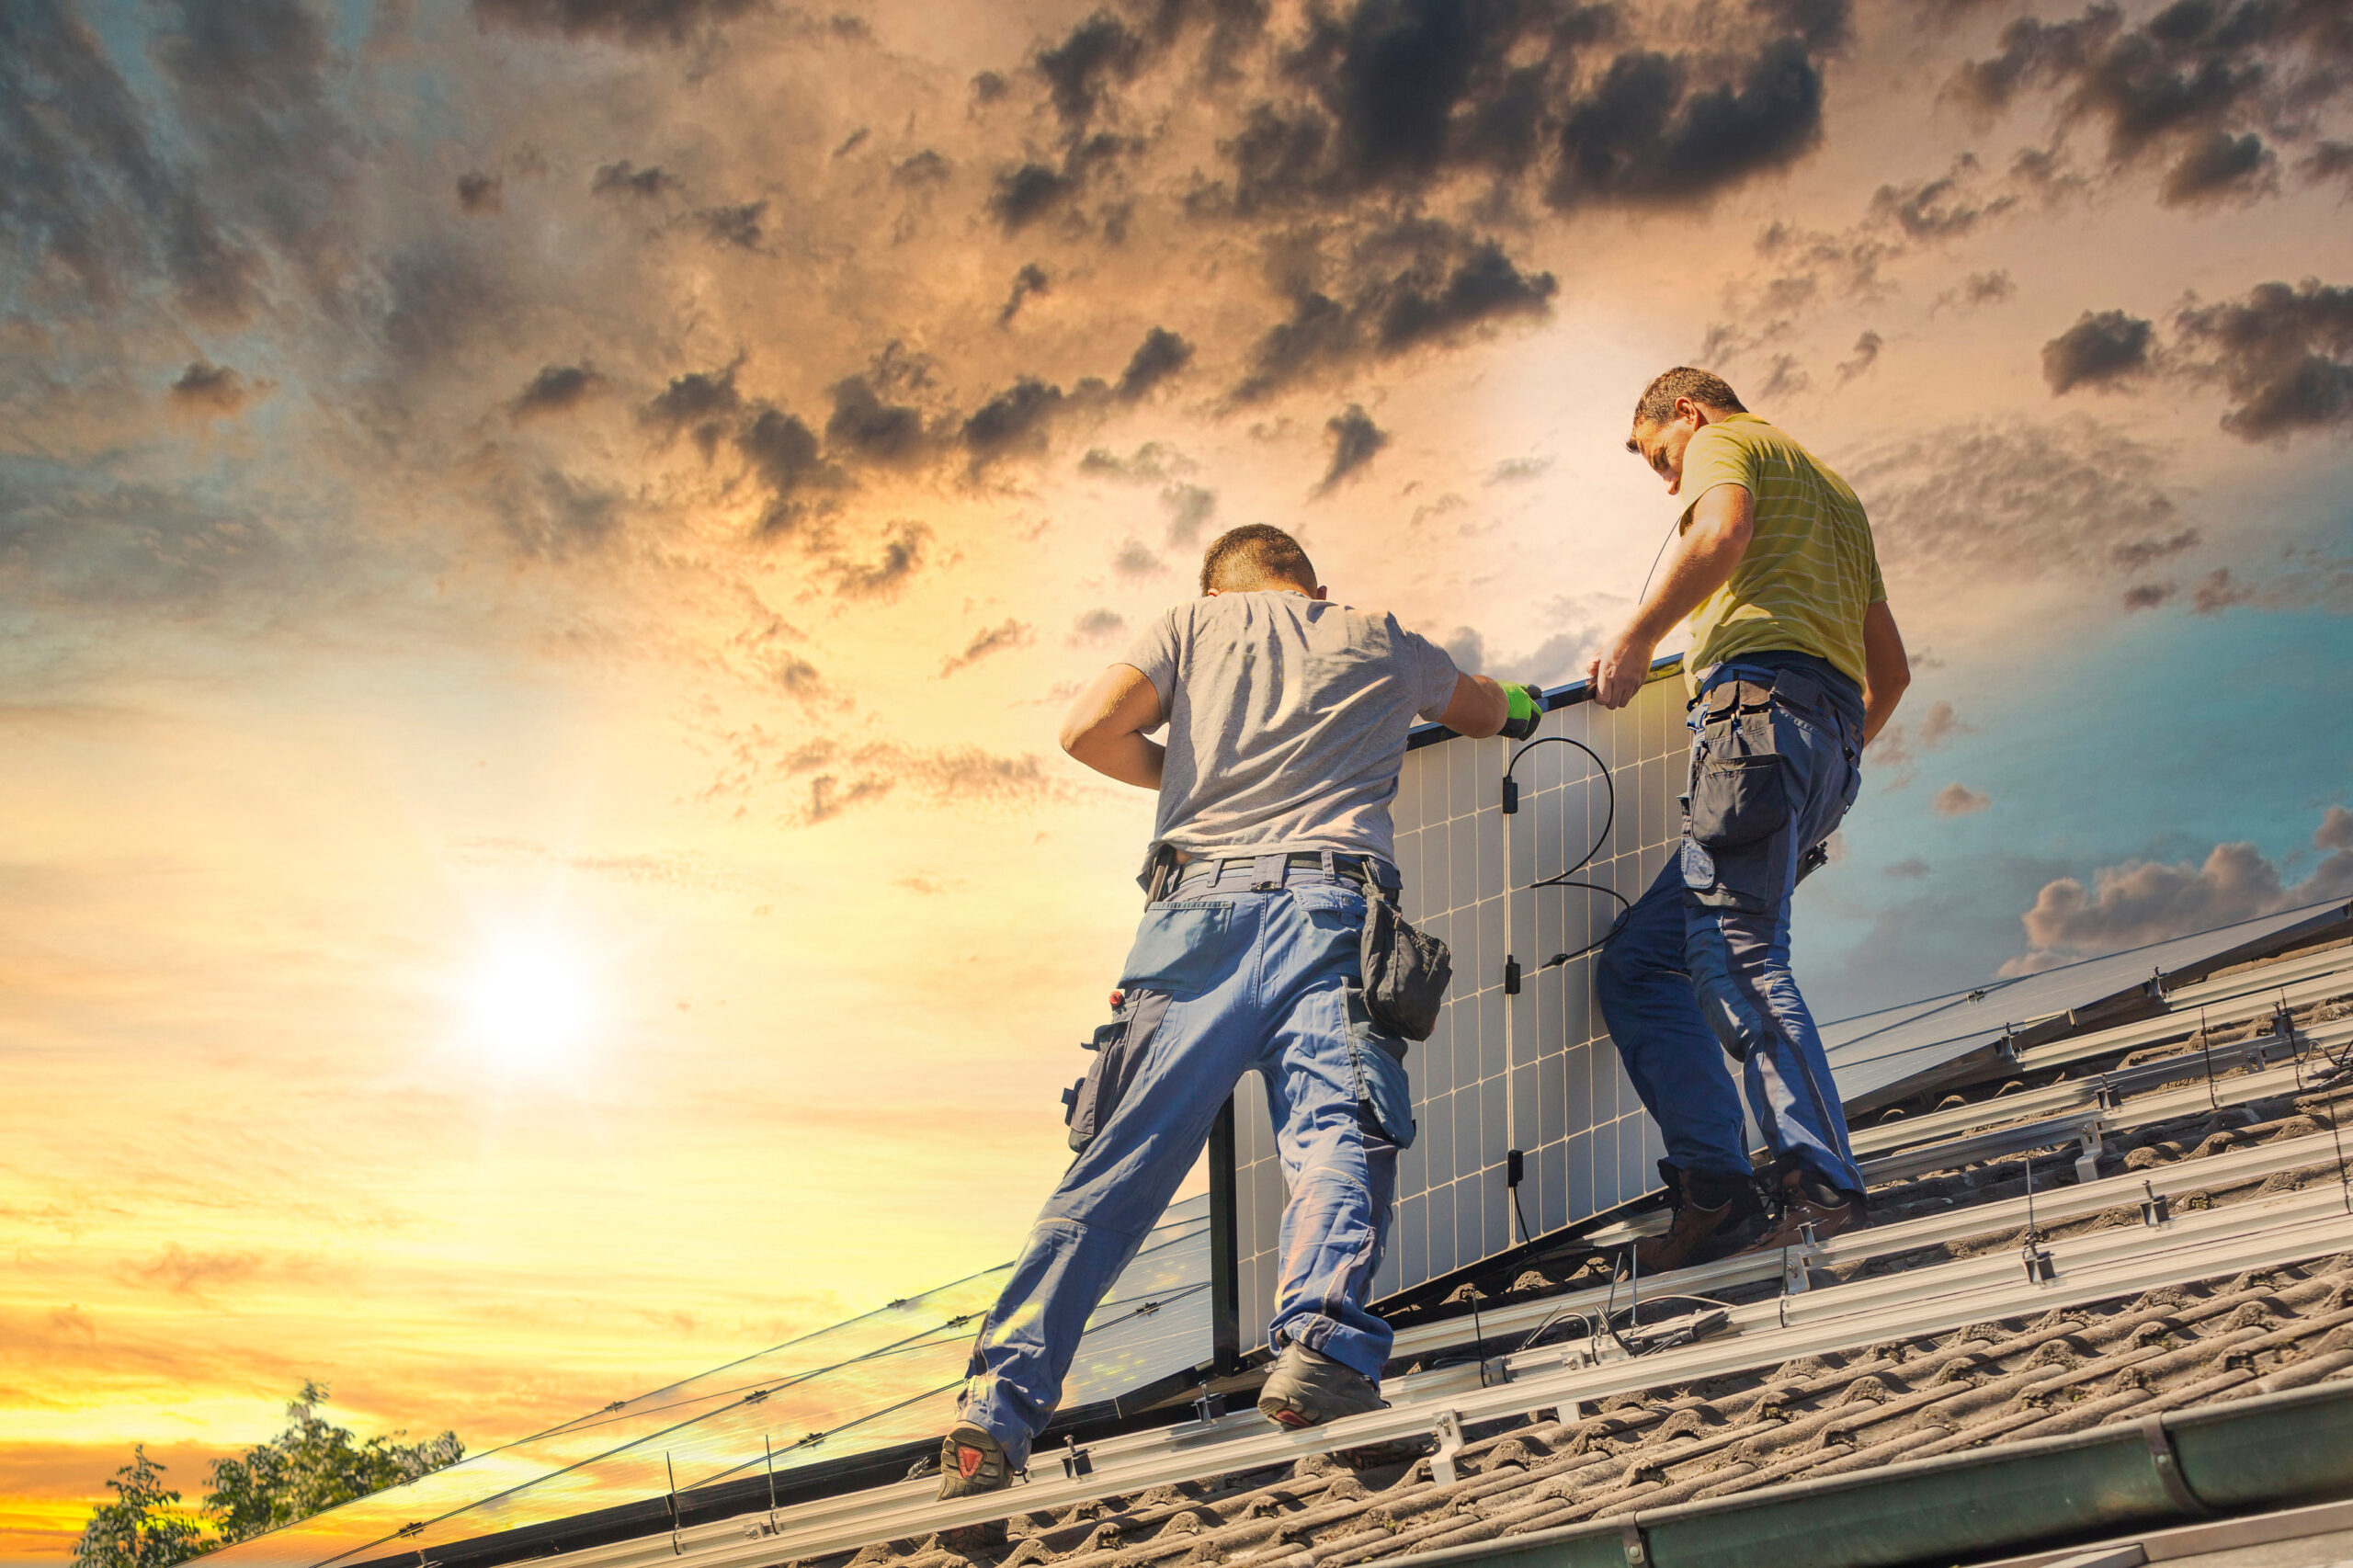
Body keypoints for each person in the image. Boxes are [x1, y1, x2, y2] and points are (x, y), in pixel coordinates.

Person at [935, 524, 1535, 1528]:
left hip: (1190, 922)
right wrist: (1527, 700)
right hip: (1328, 915)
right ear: (1312, 580)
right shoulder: (1372, 630)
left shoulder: (1188, 627)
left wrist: (1182, 777)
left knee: (1117, 1166)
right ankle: (1317, 1352)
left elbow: (1087, 730)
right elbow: (1483, 709)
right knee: (1336, 1136)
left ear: (1216, 587)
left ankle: (993, 1414)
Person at [1586, 367, 1910, 1273]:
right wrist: (1827, 749)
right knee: (1644, 960)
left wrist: (1640, 636)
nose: (1667, 484)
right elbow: (1893, 674)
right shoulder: (1834, 495)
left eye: (1661, 458)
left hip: (1754, 724)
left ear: (1686, 413)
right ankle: (1718, 1193)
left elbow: (1722, 528)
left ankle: (1820, 1181)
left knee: (1736, 950)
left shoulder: (1730, 442)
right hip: (1817, 747)